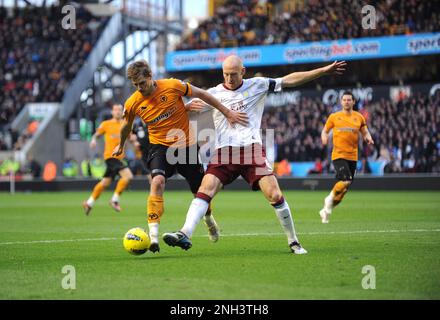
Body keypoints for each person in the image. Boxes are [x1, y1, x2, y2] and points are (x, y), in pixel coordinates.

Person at [162, 55, 347, 254]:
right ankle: (185, 233)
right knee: (205, 189)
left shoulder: (257, 85)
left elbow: (289, 79)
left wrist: (322, 71)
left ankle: (293, 241)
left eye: (233, 74)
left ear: (243, 71)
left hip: (251, 150)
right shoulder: (214, 93)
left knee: (275, 194)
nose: (229, 79)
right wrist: (184, 108)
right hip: (224, 152)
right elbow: (184, 111)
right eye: (225, 74)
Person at [112, 60, 248, 253]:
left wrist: (226, 112)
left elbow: (202, 94)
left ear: (150, 76)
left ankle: (209, 220)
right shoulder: (133, 102)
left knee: (200, 194)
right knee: (157, 181)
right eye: (135, 85)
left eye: (142, 83)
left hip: (187, 146)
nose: (139, 88)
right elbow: (126, 126)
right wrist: (121, 144)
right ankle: (153, 237)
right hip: (159, 147)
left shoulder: (173, 85)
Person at [319, 91, 374, 223]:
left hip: (353, 156)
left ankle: (326, 209)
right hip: (338, 155)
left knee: (344, 190)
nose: (346, 102)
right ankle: (328, 199)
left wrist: (368, 138)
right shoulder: (334, 117)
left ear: (353, 102)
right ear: (341, 102)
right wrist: (324, 138)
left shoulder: (359, 117)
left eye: (349, 100)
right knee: (346, 181)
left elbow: (365, 131)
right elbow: (325, 131)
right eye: (344, 100)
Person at [82, 103, 134, 215]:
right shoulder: (106, 124)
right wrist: (93, 139)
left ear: (123, 112)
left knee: (105, 183)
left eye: (120, 110)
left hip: (119, 158)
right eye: (115, 110)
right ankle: (114, 200)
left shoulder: (126, 124)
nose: (118, 112)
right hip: (111, 157)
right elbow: (96, 134)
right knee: (128, 176)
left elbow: (130, 138)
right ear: (112, 112)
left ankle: (89, 203)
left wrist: (134, 139)